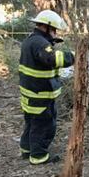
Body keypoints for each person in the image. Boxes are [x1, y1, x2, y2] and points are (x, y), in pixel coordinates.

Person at [18, 10, 75, 165]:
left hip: (31, 92)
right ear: (47, 27)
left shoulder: (31, 40)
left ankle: (27, 149)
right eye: (54, 30)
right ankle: (38, 156)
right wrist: (73, 56)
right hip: (40, 93)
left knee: (31, 122)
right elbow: (51, 58)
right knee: (44, 125)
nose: (55, 33)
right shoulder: (40, 43)